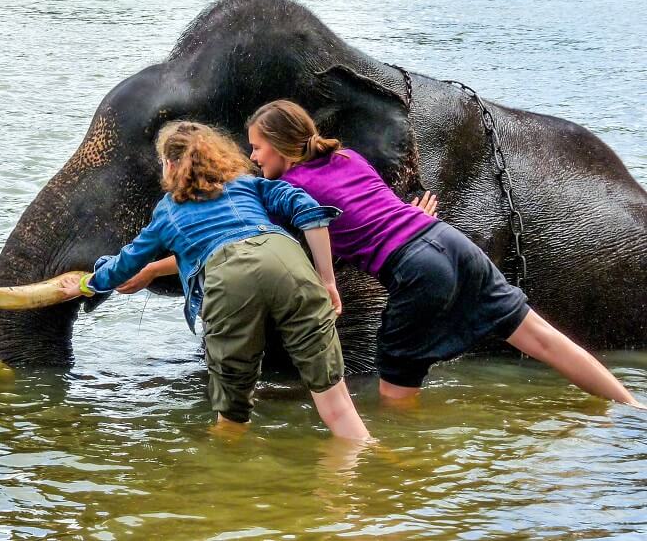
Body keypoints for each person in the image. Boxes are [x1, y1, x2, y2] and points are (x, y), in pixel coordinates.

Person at [238, 99, 641, 407]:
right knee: (544, 340)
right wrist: (410, 217)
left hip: (414, 270)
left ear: (279, 145)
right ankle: (634, 410)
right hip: (447, 240)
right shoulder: (348, 157)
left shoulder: (288, 188)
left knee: (393, 392)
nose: (254, 158)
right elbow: (368, 210)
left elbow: (314, 223)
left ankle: (409, 463)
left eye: (256, 148)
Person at [59, 121, 372, 440]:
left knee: (232, 418)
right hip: (288, 259)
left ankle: (230, 480)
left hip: (229, 278)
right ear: (217, 155)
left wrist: (87, 285)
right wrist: (327, 281)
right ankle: (373, 468)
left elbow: (126, 264)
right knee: (338, 406)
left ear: (169, 164)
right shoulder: (247, 184)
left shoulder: (167, 211)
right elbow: (309, 212)